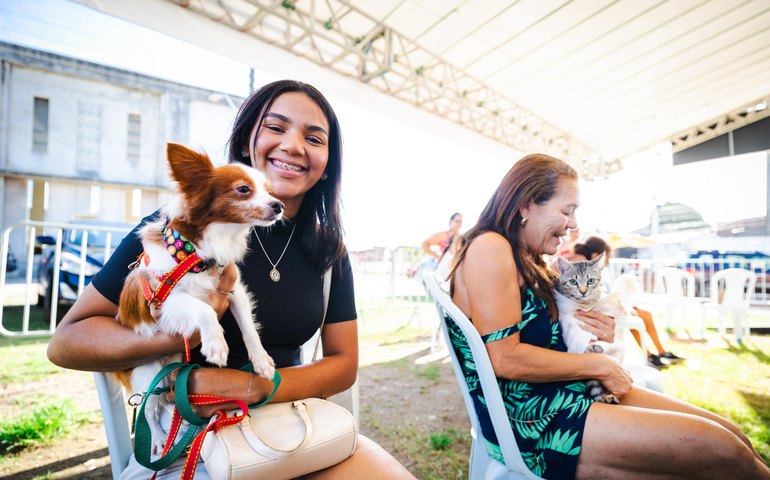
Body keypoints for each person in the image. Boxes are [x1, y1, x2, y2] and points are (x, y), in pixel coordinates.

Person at [47, 80, 416, 480]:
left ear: (327, 164)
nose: (294, 145)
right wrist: (183, 334)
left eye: (314, 137)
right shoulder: (172, 237)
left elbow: (344, 366)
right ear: (246, 142)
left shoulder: (328, 251)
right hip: (185, 439)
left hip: (293, 427)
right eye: (276, 128)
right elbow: (66, 344)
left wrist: (257, 386)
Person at [447, 153, 769, 479]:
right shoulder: (491, 247)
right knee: (725, 451)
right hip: (535, 421)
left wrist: (595, 332)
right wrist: (600, 365)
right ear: (526, 205)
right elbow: (505, 359)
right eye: (566, 210)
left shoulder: (526, 258)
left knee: (733, 436)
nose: (573, 224)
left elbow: (547, 337)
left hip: (570, 392)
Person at [570, 236, 685, 369]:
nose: (607, 260)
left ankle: (660, 352)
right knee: (637, 317)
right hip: (600, 311)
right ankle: (650, 355)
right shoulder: (587, 270)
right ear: (598, 254)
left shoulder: (596, 270)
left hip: (610, 307)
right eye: (606, 256)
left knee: (645, 314)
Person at [407, 212, 462, 278]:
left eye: (460, 221)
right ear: (451, 222)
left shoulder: (461, 239)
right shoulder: (443, 235)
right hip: (440, 268)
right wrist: (436, 256)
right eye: (457, 221)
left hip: (451, 271)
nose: (459, 224)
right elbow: (425, 244)